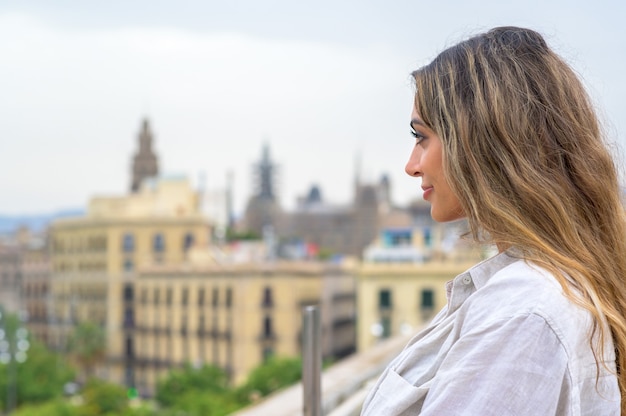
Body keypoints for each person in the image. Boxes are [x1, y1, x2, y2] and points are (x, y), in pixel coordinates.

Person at [360, 26, 626, 415]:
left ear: (476, 141)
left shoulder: (521, 314)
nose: (411, 166)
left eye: (422, 137)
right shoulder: (546, 293)